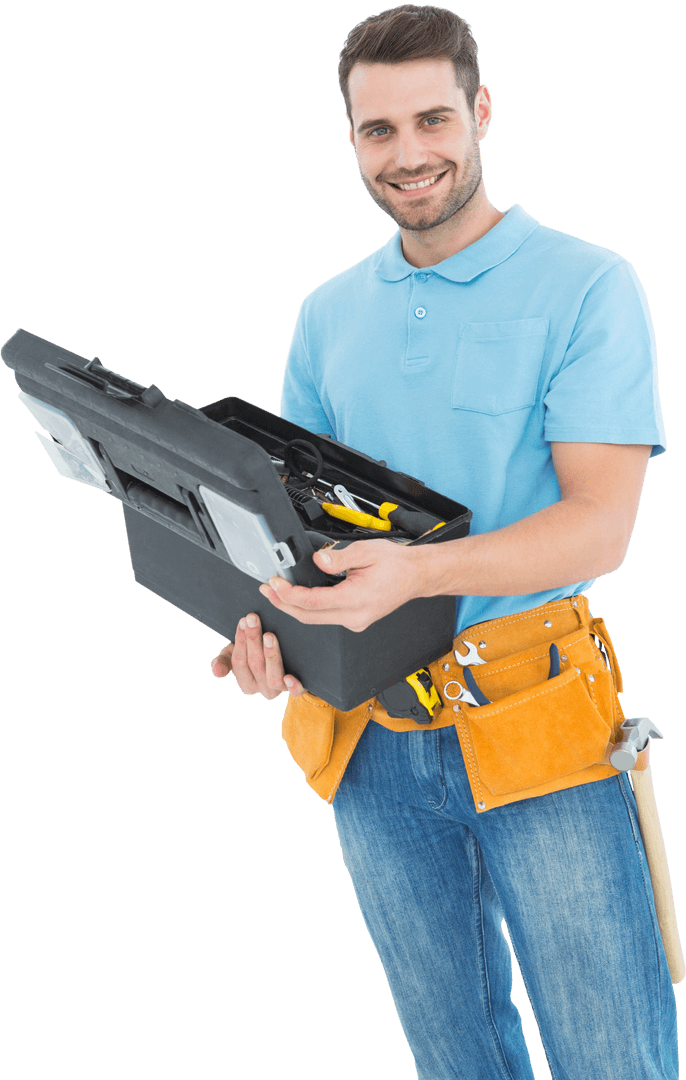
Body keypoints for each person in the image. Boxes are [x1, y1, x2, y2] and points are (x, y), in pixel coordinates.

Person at [211, 6, 678, 1077]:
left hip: (538, 729)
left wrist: (419, 573)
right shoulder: (327, 315)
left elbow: (597, 526)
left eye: (430, 119)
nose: (408, 154)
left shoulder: (587, 286)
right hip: (371, 739)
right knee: (453, 1061)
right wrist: (262, 630)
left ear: (478, 113)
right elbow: (299, 536)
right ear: (351, 139)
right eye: (377, 130)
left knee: (613, 1060)